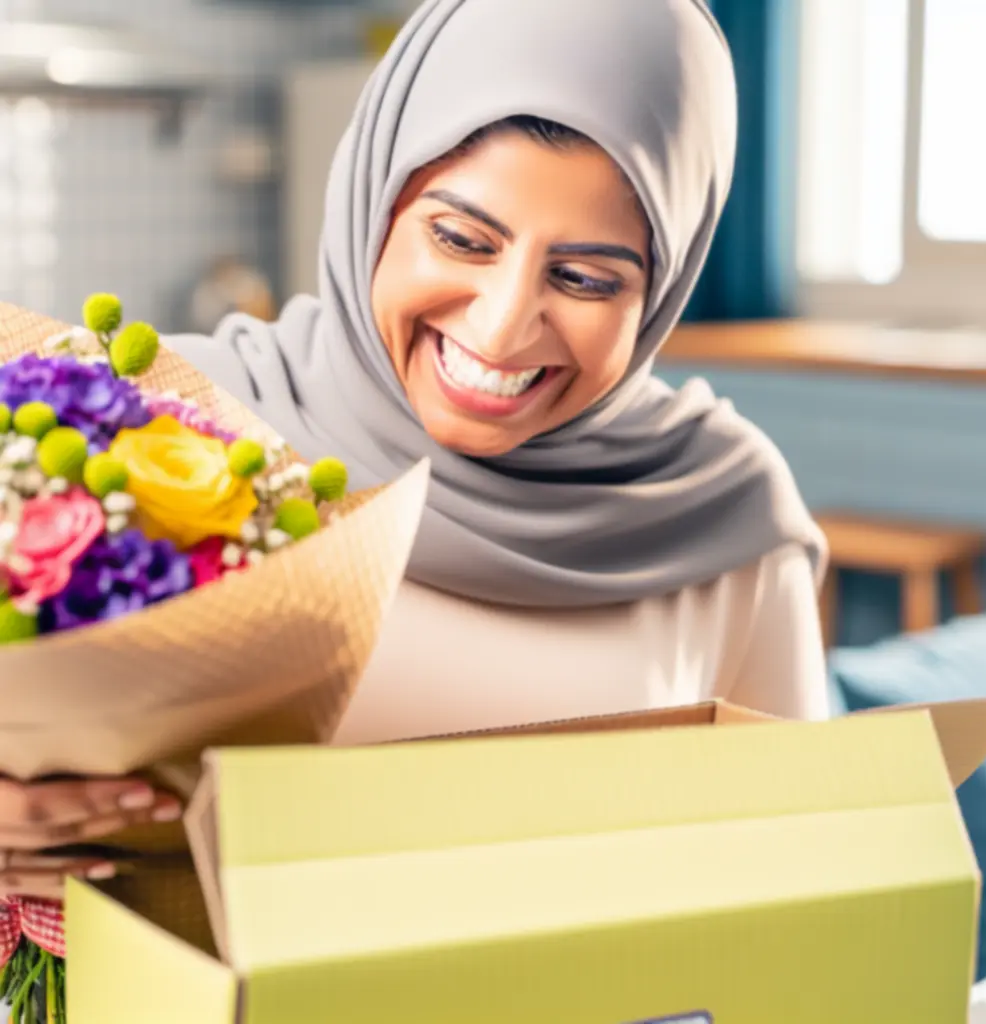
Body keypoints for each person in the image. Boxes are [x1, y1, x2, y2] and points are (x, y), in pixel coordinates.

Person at [0, 0, 829, 899]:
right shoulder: (163, 422)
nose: (503, 328)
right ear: (377, 201)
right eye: (461, 238)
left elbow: (799, 882)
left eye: (586, 278)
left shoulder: (724, 514)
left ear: (662, 289)